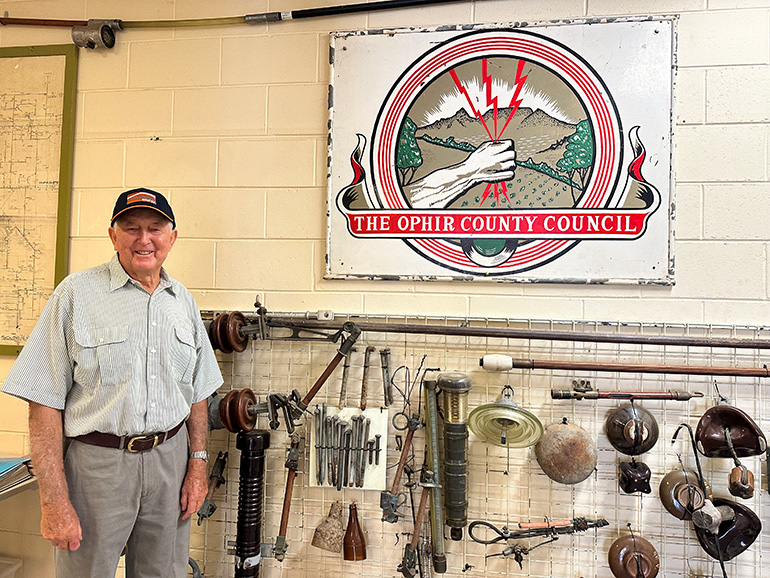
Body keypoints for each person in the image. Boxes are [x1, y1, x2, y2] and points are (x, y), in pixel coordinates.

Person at [1, 188, 223, 578]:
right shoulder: (75, 294)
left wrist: (197, 466)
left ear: (172, 237)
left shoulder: (181, 301)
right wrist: (53, 501)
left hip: (170, 459)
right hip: (97, 465)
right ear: (113, 235)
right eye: (131, 228)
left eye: (155, 228)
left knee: (164, 574)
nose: (144, 239)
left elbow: (199, 393)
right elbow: (42, 402)